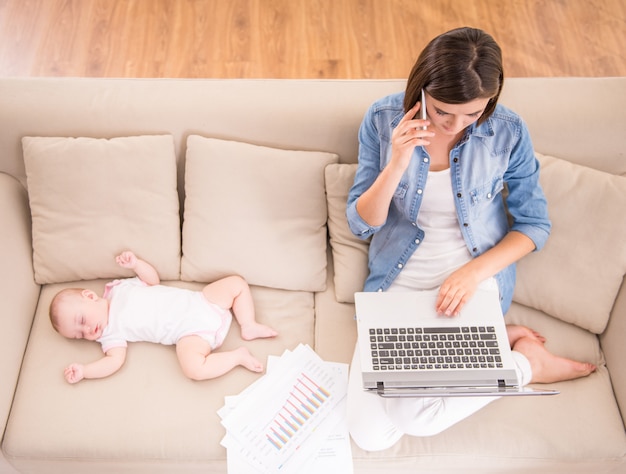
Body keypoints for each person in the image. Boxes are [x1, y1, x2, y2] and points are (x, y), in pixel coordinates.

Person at [345, 27, 596, 451]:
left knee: (414, 417)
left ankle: (524, 365)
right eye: (444, 112)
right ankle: (506, 345)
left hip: (471, 281)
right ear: (421, 87)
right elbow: (362, 224)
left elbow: (534, 225)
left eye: (473, 114)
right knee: (370, 437)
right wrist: (397, 162)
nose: (456, 125)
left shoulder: (509, 132)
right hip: (398, 278)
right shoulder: (381, 119)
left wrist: (471, 274)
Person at [49, 250, 278, 384]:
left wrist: (136, 264)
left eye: (82, 322)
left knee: (236, 283)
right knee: (194, 370)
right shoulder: (110, 334)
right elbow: (114, 361)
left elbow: (152, 281)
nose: (87, 331)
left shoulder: (119, 288)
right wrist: (85, 371)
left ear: (89, 296)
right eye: (80, 335)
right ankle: (237, 357)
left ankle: (248, 324)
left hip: (202, 301)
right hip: (188, 334)